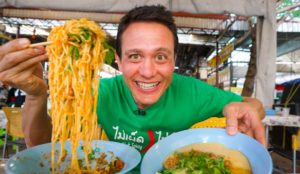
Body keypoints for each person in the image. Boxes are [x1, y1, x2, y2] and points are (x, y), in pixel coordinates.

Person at [0, 5, 265, 152]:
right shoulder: (97, 93)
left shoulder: (194, 92)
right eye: (135, 56)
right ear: (118, 60)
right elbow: (41, 146)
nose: (148, 72)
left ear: (174, 60)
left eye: (160, 57)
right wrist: (36, 95)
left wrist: (247, 107)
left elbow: (252, 105)